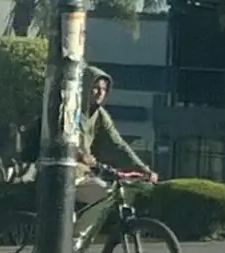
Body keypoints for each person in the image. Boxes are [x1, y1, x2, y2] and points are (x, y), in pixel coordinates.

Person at [20, 65, 156, 205]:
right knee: (104, 194)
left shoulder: (100, 115)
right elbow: (61, 137)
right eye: (95, 88)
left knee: (112, 194)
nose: (100, 93)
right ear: (85, 88)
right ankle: (79, 228)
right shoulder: (70, 110)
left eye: (104, 89)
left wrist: (143, 169)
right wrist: (81, 155)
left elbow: (118, 144)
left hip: (83, 173)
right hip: (59, 171)